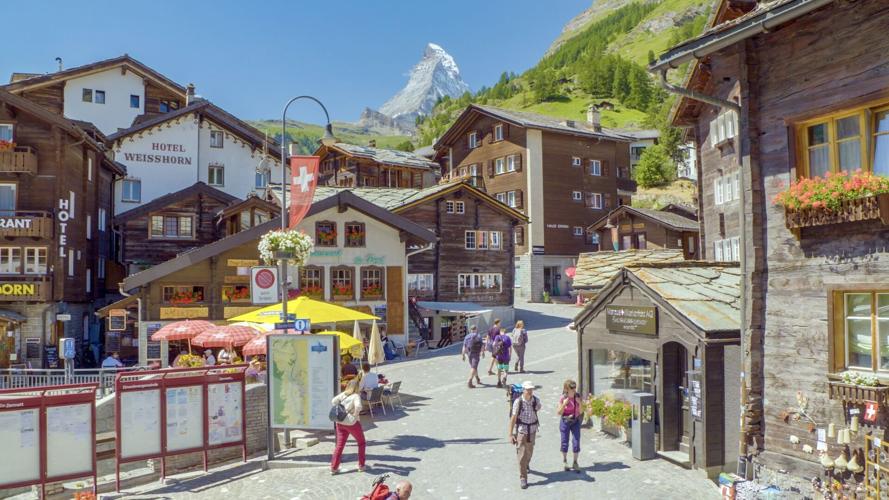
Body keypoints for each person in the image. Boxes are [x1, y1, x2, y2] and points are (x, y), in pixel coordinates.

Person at [508, 380, 540, 490]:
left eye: (531, 389)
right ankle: (523, 478)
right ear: (523, 390)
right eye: (528, 389)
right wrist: (511, 434)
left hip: (532, 430)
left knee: (529, 452)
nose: (530, 391)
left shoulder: (536, 400)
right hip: (521, 430)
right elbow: (513, 418)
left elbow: (539, 407)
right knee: (521, 454)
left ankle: (526, 464)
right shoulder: (518, 402)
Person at [330, 377, 366, 474]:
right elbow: (358, 406)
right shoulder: (355, 396)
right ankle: (361, 465)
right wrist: (355, 414)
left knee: (340, 445)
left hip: (340, 422)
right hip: (351, 423)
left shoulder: (343, 394)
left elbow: (333, 401)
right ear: (357, 387)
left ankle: (334, 468)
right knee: (361, 443)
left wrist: (342, 408)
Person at [557, 379, 582, 473]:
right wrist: (564, 404)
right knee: (564, 442)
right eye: (572, 389)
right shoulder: (563, 398)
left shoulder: (577, 396)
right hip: (565, 421)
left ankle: (575, 462)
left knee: (576, 442)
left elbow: (581, 411)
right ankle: (565, 461)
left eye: (575, 388)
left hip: (575, 421)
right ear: (567, 389)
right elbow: (559, 412)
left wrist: (579, 403)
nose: (574, 390)